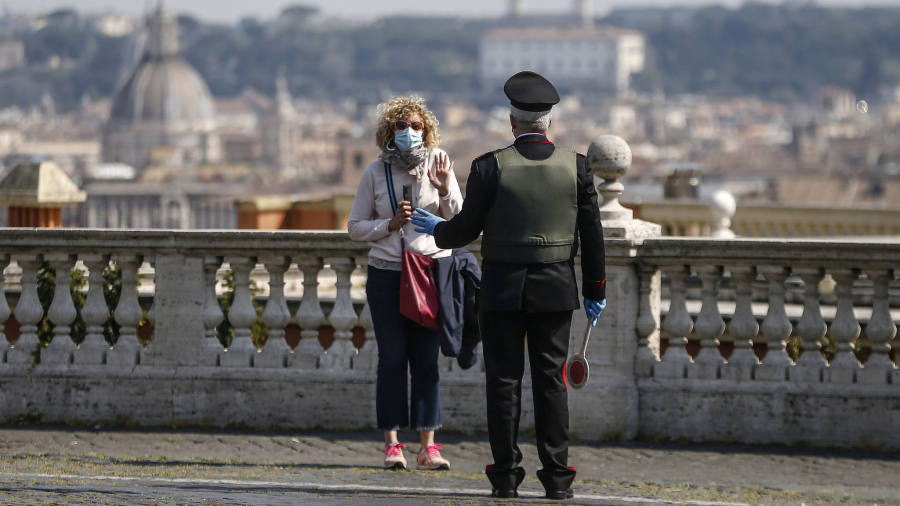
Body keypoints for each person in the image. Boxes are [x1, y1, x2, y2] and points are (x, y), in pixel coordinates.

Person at [411, 71, 607, 499]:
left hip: (501, 288)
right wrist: (595, 290)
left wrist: (438, 231)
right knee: (551, 383)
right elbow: (593, 235)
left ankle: (505, 475)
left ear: (512, 121)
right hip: (555, 288)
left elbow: (466, 230)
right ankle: (557, 476)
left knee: (503, 383)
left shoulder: (488, 166)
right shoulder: (578, 166)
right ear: (548, 122)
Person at [348, 96, 463, 471]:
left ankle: (429, 446)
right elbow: (355, 227)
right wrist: (391, 225)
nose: (410, 133)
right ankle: (392, 444)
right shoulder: (374, 173)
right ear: (388, 133)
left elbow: (459, 220)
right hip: (387, 274)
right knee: (392, 359)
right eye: (401, 127)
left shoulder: (441, 162)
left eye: (416, 126)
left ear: (427, 130)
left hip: (429, 271)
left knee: (426, 361)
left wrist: (445, 189)